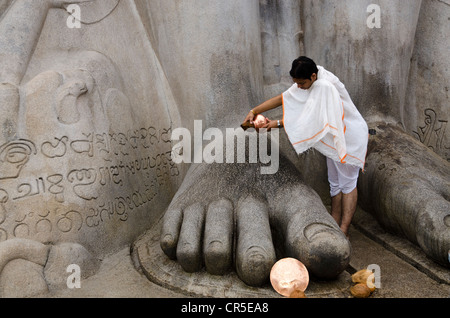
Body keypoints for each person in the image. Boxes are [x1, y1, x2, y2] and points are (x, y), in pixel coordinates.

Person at [243, 56, 368, 237]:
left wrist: (277, 124)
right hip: (333, 136)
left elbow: (313, 118)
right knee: (335, 183)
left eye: (301, 84)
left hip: (348, 137)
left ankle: (344, 230)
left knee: (347, 184)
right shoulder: (310, 77)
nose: (299, 87)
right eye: (296, 83)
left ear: (313, 77)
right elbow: (283, 98)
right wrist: (254, 111)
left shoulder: (325, 87)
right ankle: (333, 221)